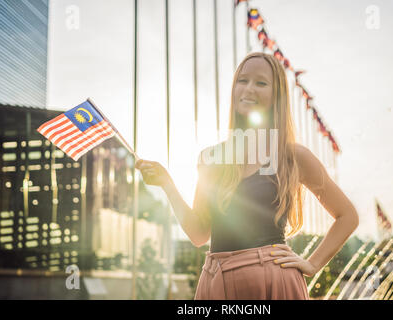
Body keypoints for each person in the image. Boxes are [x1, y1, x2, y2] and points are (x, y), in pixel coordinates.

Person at [135, 52, 359, 300]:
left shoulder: (291, 156)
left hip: (272, 282)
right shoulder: (211, 157)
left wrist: (313, 263)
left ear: (277, 96)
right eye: (242, 80)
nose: (249, 88)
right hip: (214, 281)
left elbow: (347, 216)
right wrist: (168, 185)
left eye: (261, 83)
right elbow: (199, 233)